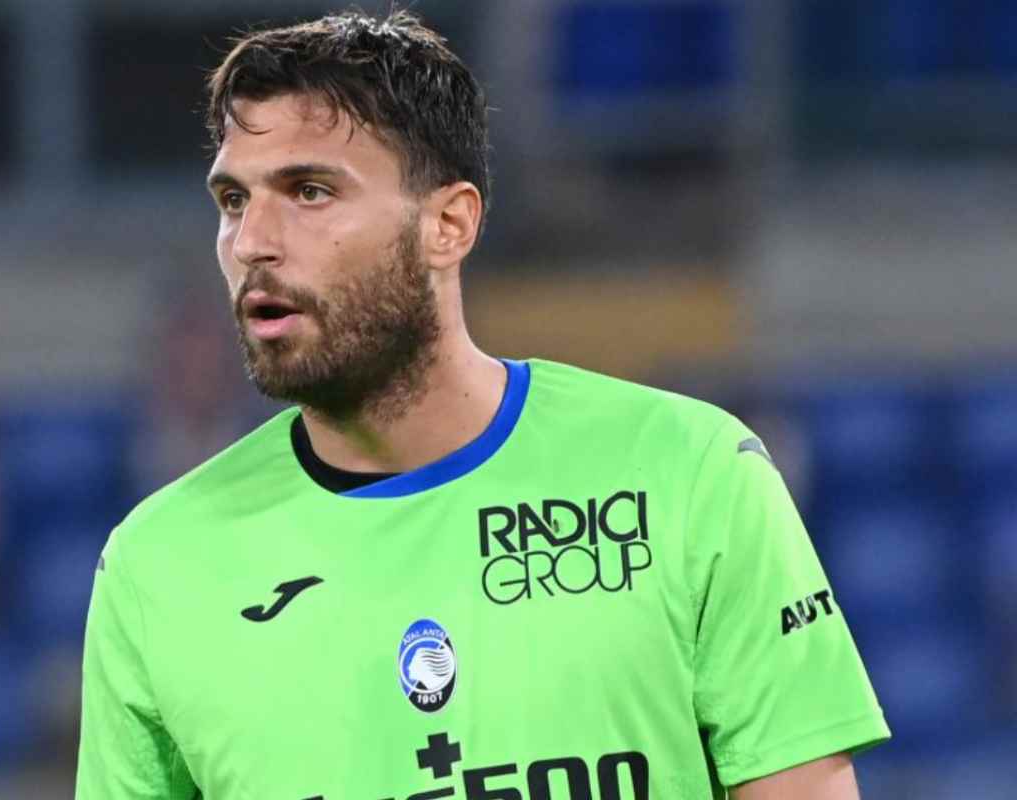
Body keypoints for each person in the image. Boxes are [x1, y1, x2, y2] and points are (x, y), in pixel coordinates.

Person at [76, 10, 889, 799]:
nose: (253, 240)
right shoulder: (156, 567)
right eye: (232, 201)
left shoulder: (691, 476)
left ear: (449, 224)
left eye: (310, 191)